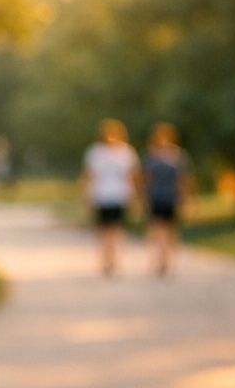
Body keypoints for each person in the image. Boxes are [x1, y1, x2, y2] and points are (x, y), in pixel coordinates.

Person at [80, 118, 140, 276]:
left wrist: (134, 198)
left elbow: (132, 177)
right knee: (103, 229)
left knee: (117, 229)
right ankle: (105, 258)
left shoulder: (126, 152)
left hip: (120, 195)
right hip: (101, 196)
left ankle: (114, 257)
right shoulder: (95, 152)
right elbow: (89, 176)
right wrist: (87, 197)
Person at [141, 122, 192, 276]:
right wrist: (144, 196)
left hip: (171, 197)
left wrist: (185, 196)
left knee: (170, 229)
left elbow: (183, 179)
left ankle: (167, 257)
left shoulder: (178, 156)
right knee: (157, 228)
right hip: (156, 196)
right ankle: (160, 258)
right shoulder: (152, 156)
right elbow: (147, 179)